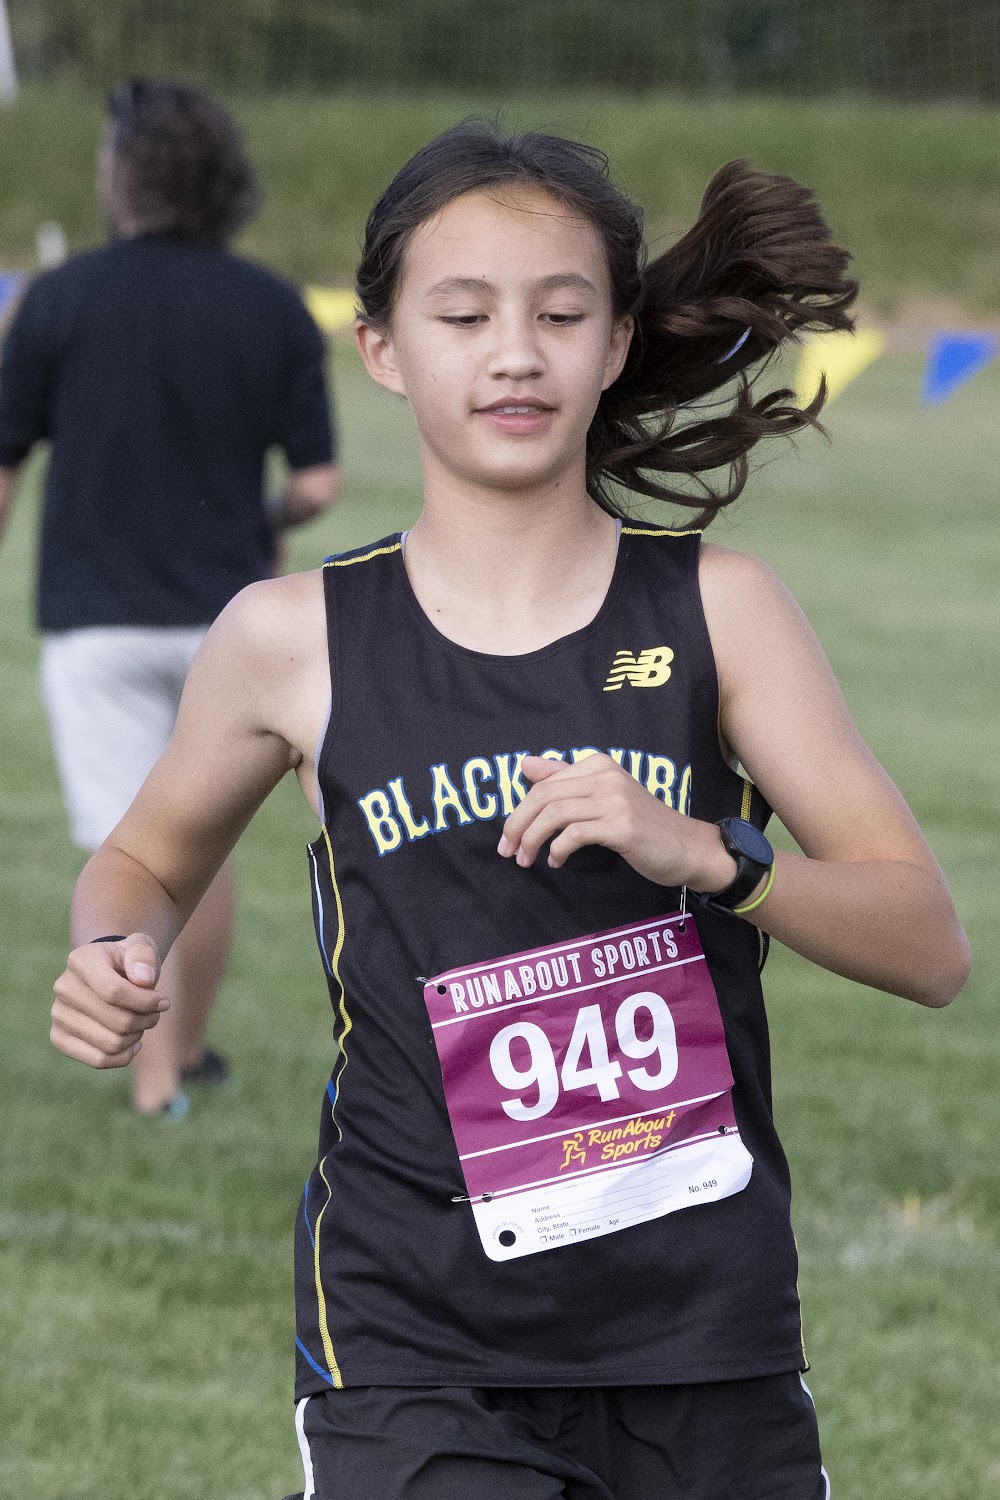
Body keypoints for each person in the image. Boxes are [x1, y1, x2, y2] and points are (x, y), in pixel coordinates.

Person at [48, 124, 969, 1499]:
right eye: (464, 315)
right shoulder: (291, 639)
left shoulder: (722, 612)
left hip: (700, 1325)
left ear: (616, 342)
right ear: (381, 348)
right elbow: (144, 859)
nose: (516, 354)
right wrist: (112, 945)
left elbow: (929, 945)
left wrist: (710, 854)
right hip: (411, 1333)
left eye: (560, 313)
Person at [0, 79, 339, 1117]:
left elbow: (4, 461)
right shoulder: (272, 307)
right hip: (229, 628)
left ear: (120, 177)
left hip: (95, 622)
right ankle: (183, 1054)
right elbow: (317, 483)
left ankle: (153, 1089)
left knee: (131, 848)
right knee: (202, 847)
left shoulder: (58, 298)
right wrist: (263, 521)